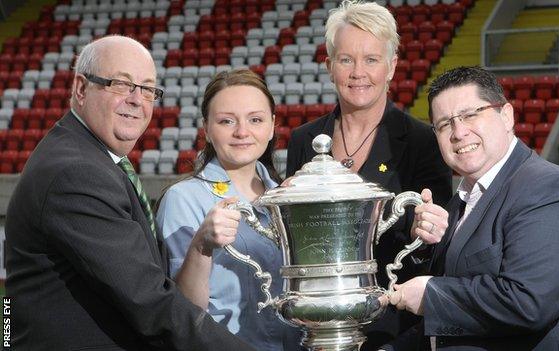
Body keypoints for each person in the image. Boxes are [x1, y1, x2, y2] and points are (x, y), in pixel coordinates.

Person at [4, 35, 255, 350]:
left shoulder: (91, 157)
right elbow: (151, 302)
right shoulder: (77, 172)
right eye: (120, 84)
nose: (137, 100)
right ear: (81, 89)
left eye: (148, 88)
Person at [383, 66, 559, 350]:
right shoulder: (460, 202)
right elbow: (452, 320)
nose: (458, 132)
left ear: (507, 116)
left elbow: (528, 303)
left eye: (470, 115)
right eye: (444, 124)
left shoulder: (548, 189)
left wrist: (431, 294)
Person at [285, 1, 453, 349]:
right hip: (317, 326)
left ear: (391, 67)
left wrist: (429, 229)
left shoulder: (423, 141)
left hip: (396, 330)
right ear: (329, 66)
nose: (358, 72)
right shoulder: (302, 140)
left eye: (371, 59)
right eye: (346, 59)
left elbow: (434, 249)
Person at [156, 69, 302, 351]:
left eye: (255, 119)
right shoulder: (183, 199)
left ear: (272, 126)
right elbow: (181, 313)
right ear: (207, 129)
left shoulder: (288, 197)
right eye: (226, 121)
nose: (242, 132)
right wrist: (202, 246)